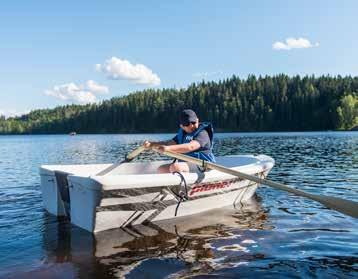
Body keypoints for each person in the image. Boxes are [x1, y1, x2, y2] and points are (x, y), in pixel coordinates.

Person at [144, 109, 215, 173]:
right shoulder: (182, 134)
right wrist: (152, 144)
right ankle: (168, 186)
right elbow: (169, 143)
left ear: (197, 120)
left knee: (175, 167)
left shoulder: (202, 133)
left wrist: (168, 149)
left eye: (193, 122)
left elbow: (191, 146)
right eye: (187, 124)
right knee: (161, 169)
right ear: (182, 126)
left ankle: (180, 186)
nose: (191, 125)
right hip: (187, 163)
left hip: (202, 164)